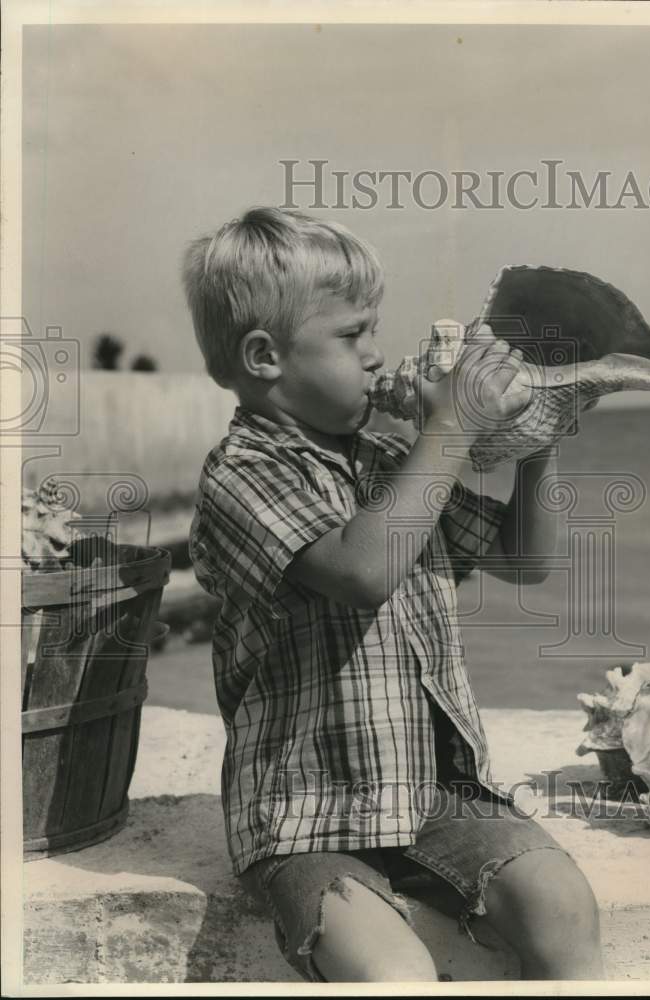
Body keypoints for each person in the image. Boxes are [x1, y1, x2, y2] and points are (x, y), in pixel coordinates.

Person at [183, 207, 604, 983]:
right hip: (304, 814)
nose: (377, 356)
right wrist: (447, 429)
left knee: (560, 900)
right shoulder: (243, 473)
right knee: (389, 972)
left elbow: (524, 560)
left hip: (433, 793)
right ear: (263, 355)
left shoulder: (386, 455)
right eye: (352, 335)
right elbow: (360, 571)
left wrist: (534, 448)